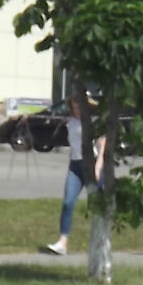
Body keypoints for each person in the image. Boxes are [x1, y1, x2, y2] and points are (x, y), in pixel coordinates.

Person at [44, 95, 103, 256]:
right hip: (75, 166)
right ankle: (62, 242)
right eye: (74, 106)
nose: (77, 110)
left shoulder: (94, 121)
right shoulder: (71, 121)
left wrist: (98, 166)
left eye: (79, 107)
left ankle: (100, 241)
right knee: (68, 202)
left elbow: (101, 143)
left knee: (97, 206)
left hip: (93, 164)